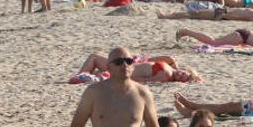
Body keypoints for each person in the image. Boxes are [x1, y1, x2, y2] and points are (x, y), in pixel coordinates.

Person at [174, 12, 253, 47]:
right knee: (213, 42)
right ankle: (186, 31)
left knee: (214, 41)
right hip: (242, 37)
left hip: (245, 37)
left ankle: (187, 32)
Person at [74, 52, 202, 83]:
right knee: (96, 60)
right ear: (185, 69)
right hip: (129, 64)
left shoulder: (166, 75)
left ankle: (79, 76)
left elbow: (145, 80)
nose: (181, 75)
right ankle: (83, 75)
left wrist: (126, 77)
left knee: (94, 58)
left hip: (125, 69)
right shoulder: (171, 63)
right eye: (184, 73)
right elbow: (149, 60)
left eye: (182, 78)